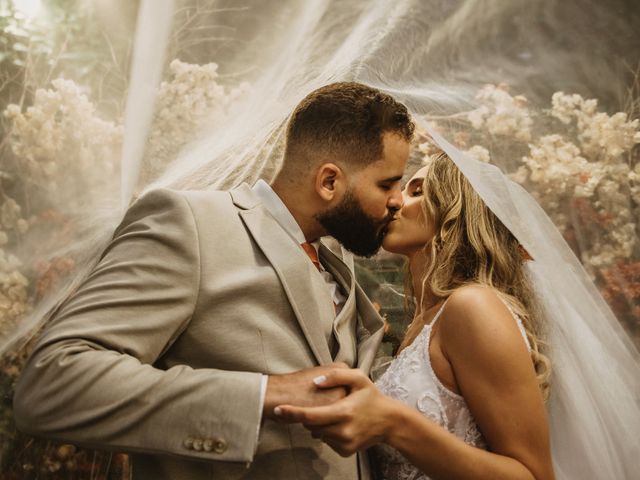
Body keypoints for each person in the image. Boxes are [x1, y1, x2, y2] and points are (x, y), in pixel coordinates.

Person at [12, 82, 415, 480]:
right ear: (329, 182)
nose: (397, 199)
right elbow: (53, 380)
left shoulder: (334, 258)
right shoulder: (190, 223)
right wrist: (263, 394)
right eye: (387, 183)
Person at [276, 140, 640, 479]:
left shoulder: (473, 307)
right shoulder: (427, 318)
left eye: (416, 191)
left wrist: (394, 425)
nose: (396, 202)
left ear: (456, 211)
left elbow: (532, 473)